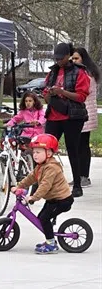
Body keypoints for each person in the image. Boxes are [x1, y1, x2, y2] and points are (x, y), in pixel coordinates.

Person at [42, 42, 92, 198]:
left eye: (61, 58)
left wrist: (62, 91)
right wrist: (50, 94)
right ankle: (41, 182)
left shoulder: (79, 72)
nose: (58, 61)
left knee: (73, 149)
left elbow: (81, 96)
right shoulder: (53, 72)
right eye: (56, 58)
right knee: (45, 150)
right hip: (53, 115)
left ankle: (77, 184)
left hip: (72, 117)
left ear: (68, 56)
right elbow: (45, 94)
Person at [13, 133, 75, 254]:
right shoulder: (41, 166)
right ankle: (50, 238)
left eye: (38, 152)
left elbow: (45, 186)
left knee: (44, 218)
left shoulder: (51, 167)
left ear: (49, 153)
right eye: (34, 152)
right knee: (42, 218)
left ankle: (51, 244)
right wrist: (18, 186)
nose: (35, 155)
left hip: (62, 200)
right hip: (52, 200)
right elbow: (31, 178)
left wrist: (33, 198)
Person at [71, 47, 99, 188]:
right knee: (76, 145)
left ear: (83, 58)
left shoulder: (87, 74)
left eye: (76, 58)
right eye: (72, 59)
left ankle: (84, 176)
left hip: (85, 112)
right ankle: (78, 176)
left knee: (82, 146)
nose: (74, 61)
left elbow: (83, 92)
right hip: (80, 111)